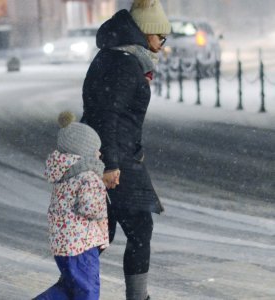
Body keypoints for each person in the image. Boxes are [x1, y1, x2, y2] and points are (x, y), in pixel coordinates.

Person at [80, 1, 171, 299]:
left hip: (109, 155)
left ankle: (75, 290)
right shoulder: (124, 63)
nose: (161, 45)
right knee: (137, 229)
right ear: (146, 34)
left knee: (102, 234)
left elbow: (103, 112)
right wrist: (111, 165)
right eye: (161, 37)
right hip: (114, 161)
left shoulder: (114, 56)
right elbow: (108, 115)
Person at [33, 111, 109, 300]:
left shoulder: (63, 174)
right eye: (95, 150)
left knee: (69, 289)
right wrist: (102, 205)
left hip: (63, 244)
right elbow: (90, 207)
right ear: (83, 152)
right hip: (81, 244)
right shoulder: (88, 176)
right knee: (88, 290)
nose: (99, 154)